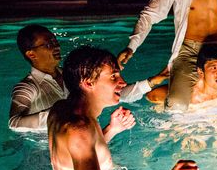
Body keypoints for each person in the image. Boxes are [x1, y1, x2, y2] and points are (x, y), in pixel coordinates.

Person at [48, 46, 198, 170]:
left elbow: (78, 151)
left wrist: (112, 129)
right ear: (89, 83)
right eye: (113, 76)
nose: (122, 82)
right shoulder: (79, 127)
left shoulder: (61, 108)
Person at [9, 25, 167, 131]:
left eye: (55, 41)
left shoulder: (72, 74)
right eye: (48, 44)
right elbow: (14, 123)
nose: (56, 46)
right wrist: (62, 114)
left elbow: (106, 92)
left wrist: (152, 81)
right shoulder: (27, 87)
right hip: (43, 151)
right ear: (31, 54)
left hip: (83, 133)